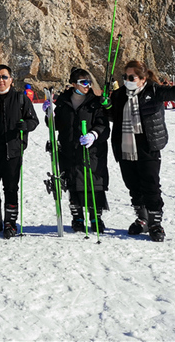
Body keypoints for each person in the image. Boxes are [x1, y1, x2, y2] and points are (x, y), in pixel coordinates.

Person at [106, 60, 175, 242]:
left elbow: (173, 93)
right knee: (132, 184)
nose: (127, 80)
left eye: (131, 77)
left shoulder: (153, 91)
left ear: (143, 78)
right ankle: (142, 219)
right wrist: (105, 105)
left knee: (150, 184)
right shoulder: (119, 94)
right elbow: (113, 116)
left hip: (148, 144)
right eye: (125, 77)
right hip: (125, 145)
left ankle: (155, 222)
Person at [0, 64, 39, 238]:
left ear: (11, 80)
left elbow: (33, 120)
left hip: (12, 151)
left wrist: (26, 125)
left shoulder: (20, 98)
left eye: (4, 77)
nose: (1, 80)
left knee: (10, 188)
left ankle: (10, 222)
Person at [43, 69, 110, 232]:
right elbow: (56, 125)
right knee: (73, 181)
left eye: (89, 82)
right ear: (73, 84)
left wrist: (94, 134)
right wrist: (49, 113)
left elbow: (104, 126)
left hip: (91, 151)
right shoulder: (63, 102)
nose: (87, 85)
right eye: (83, 82)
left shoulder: (95, 102)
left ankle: (95, 217)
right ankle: (77, 217)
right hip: (69, 149)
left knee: (93, 183)